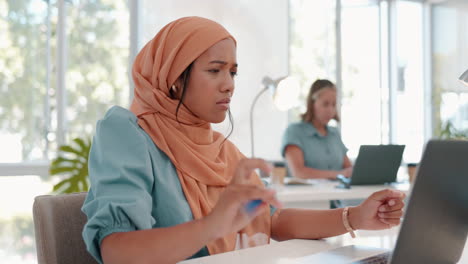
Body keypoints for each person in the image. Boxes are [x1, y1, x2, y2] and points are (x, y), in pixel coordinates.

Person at [82, 17, 405, 264]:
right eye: (215, 71)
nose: (229, 85)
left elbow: (271, 219)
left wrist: (354, 217)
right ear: (174, 78)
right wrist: (212, 225)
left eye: (233, 72)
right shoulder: (127, 133)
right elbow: (116, 251)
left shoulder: (222, 149)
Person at [282, 79, 353, 180]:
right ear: (312, 104)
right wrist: (337, 174)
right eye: (325, 104)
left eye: (333, 104)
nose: (331, 110)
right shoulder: (294, 131)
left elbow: (349, 169)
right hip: (308, 195)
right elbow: (299, 173)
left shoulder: (335, 133)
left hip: (339, 194)